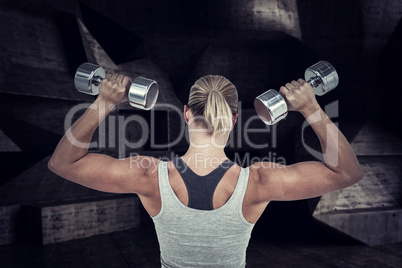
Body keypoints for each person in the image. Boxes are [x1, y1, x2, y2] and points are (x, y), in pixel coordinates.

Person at [48, 73, 364, 267]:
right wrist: (310, 107)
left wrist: (104, 101)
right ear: (235, 118)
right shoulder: (259, 180)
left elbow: (63, 163)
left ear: (186, 113)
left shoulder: (147, 175)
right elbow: (347, 173)